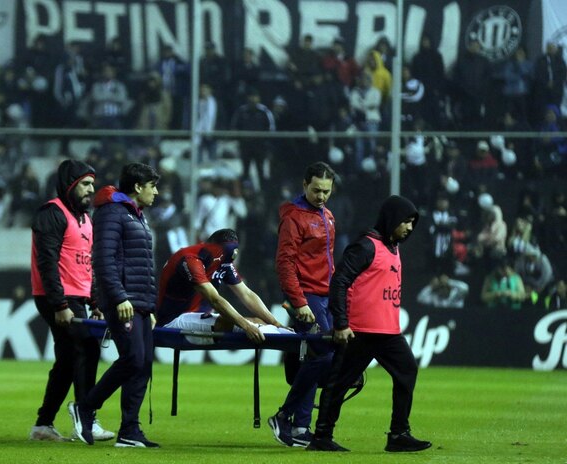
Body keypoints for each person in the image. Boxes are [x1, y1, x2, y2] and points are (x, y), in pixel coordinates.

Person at [307, 195, 431, 453]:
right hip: (359, 331)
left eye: (412, 223)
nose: (409, 228)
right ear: (392, 220)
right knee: (339, 383)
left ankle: (398, 434)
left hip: (387, 331)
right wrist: (341, 323)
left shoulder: (393, 246)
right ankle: (321, 436)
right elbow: (339, 281)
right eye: (405, 222)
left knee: (407, 371)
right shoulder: (366, 246)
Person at [69, 163, 160, 448]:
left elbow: (140, 263)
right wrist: (119, 297)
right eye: (152, 186)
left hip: (139, 301)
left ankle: (129, 431)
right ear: (137, 187)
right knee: (132, 358)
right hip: (123, 300)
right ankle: (85, 406)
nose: (156, 192)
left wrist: (148, 304)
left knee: (142, 364)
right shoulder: (111, 212)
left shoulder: (136, 215)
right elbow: (104, 260)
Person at [29, 159, 114, 442]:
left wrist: (97, 303)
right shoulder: (51, 213)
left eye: (93, 183)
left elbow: (85, 267)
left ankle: (43, 425)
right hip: (58, 298)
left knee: (67, 360)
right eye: (86, 184)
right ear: (70, 184)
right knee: (87, 350)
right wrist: (60, 304)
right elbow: (47, 263)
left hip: (76, 297)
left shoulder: (85, 219)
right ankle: (86, 418)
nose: (92, 189)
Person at [268, 162, 337, 448]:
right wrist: (299, 302)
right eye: (316, 190)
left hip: (325, 295)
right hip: (307, 295)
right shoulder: (294, 217)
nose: (321, 196)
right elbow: (285, 263)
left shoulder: (328, 215)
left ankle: (299, 427)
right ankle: (285, 416)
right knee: (322, 354)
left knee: (318, 358)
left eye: (326, 191)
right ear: (304, 185)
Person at [156, 228, 286, 342]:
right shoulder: (190, 260)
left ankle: (285, 335)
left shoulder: (222, 262)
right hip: (173, 319)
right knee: (241, 325)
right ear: (216, 248)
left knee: (258, 322)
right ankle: (289, 338)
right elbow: (215, 300)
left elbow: (246, 294)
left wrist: (275, 323)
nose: (229, 260)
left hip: (198, 316)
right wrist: (246, 326)